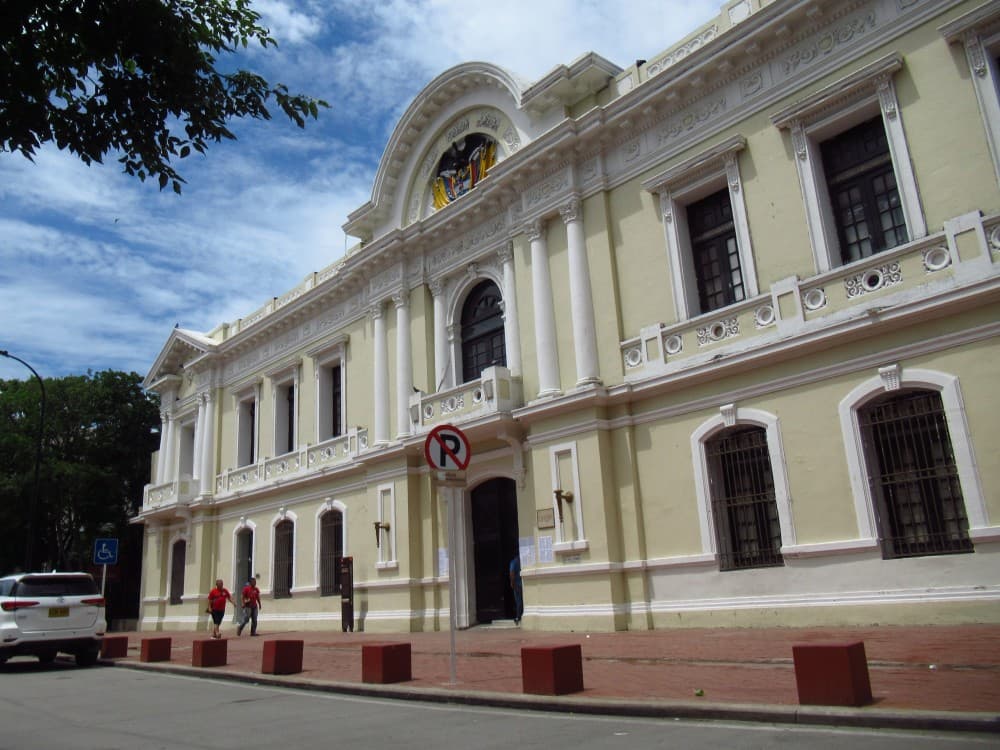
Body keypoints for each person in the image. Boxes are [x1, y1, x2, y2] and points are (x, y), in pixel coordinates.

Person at [509, 555, 523, 625]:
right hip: (523, 584)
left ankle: (518, 617)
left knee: (518, 601)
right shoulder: (522, 561)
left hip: (517, 584)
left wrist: (512, 583)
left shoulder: (513, 562)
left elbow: (511, 573)